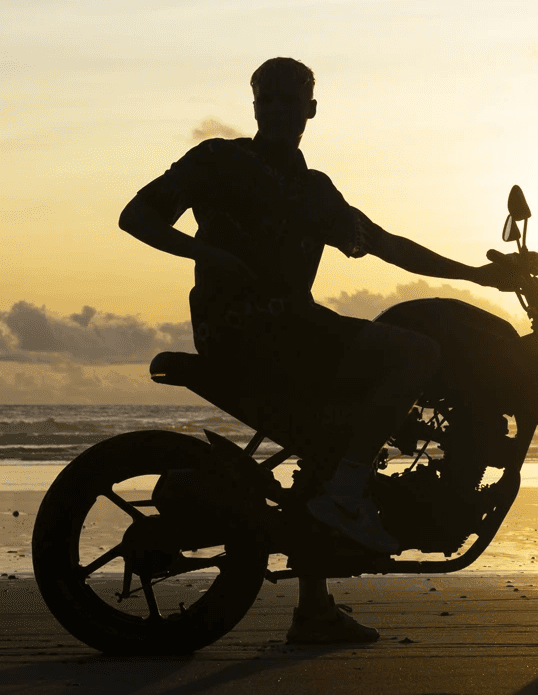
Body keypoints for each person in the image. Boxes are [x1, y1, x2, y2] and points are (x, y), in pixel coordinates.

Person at [119, 57, 514, 645]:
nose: (278, 110)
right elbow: (137, 216)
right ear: (255, 107)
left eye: (291, 100)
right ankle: (351, 491)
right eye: (268, 100)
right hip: (247, 333)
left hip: (299, 334)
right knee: (415, 354)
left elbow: (386, 245)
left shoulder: (314, 191)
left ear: (310, 110)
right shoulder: (218, 161)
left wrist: (479, 276)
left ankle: (315, 608)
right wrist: (206, 254)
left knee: (330, 436)